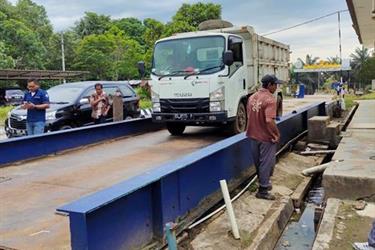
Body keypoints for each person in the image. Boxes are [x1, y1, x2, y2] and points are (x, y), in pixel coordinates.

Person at [246, 74, 281, 200]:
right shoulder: (270, 99)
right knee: (266, 163)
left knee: (258, 162)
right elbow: (269, 120)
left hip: (252, 135)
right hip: (265, 137)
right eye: (275, 84)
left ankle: (263, 184)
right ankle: (263, 190)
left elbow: (249, 115)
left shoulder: (252, 97)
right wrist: (276, 134)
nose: (276, 87)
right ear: (270, 85)